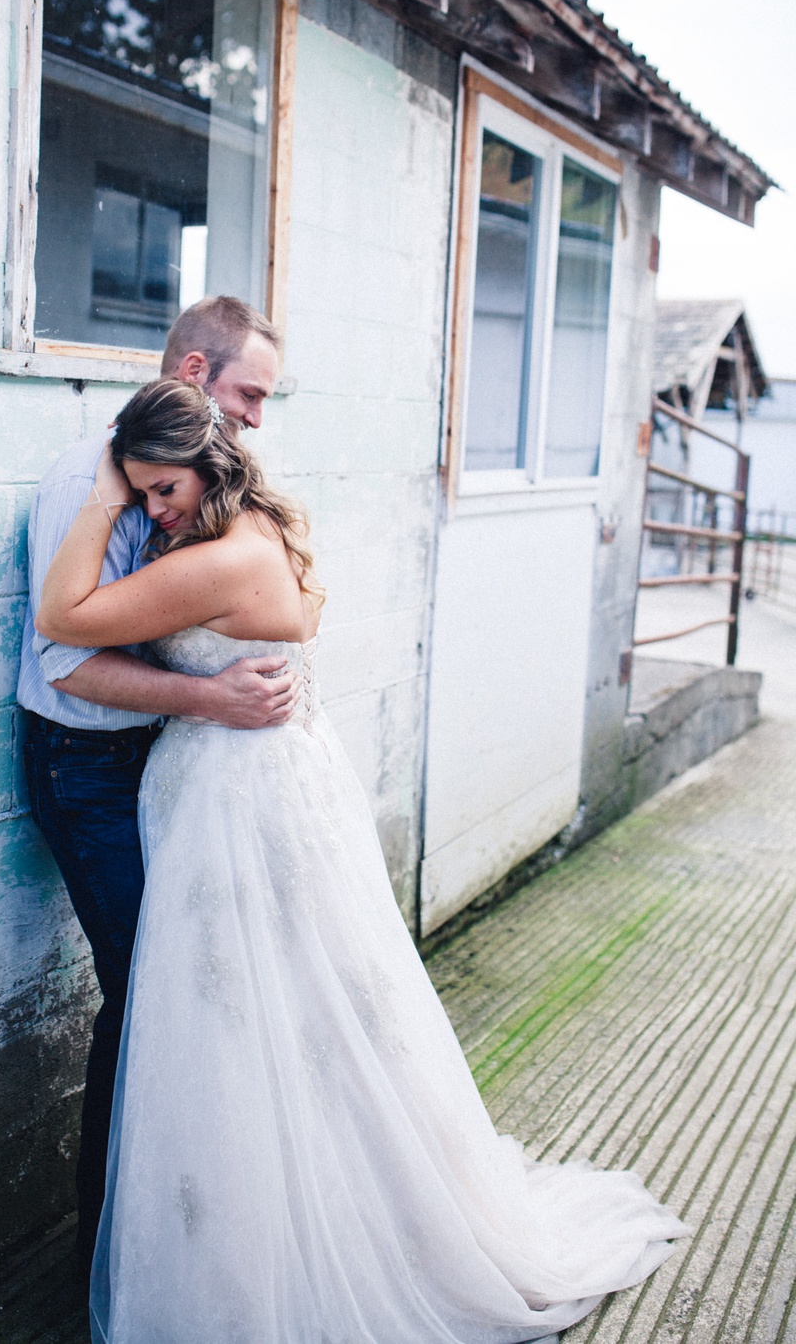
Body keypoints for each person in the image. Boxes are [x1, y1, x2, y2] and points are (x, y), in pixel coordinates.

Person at [36, 379, 688, 1344]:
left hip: (239, 796)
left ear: (205, 467)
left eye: (160, 490)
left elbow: (62, 615)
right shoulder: (254, 522)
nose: (150, 510)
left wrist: (98, 492)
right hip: (261, 781)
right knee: (288, 1009)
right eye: (139, 493)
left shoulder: (218, 559)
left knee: (251, 1011)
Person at [17, 297, 299, 1267]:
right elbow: (61, 662)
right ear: (190, 373)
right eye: (248, 392)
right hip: (85, 765)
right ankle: (118, 1244)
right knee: (145, 996)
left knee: (200, 987)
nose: (258, 414)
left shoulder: (209, 488)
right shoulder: (91, 488)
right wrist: (204, 696)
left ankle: (197, 1221)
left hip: (163, 760)